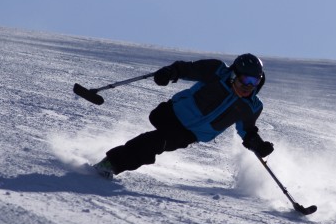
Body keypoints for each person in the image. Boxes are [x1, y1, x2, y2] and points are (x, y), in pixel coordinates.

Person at [93, 53, 274, 179]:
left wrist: (257, 144)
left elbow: (247, 130)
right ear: (235, 74)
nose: (249, 86)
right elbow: (186, 69)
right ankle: (113, 162)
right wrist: (169, 73)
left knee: (157, 142)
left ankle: (112, 163)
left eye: (255, 81)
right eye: (246, 80)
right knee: (158, 137)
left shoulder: (251, 106)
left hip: (188, 134)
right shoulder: (217, 71)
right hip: (169, 113)